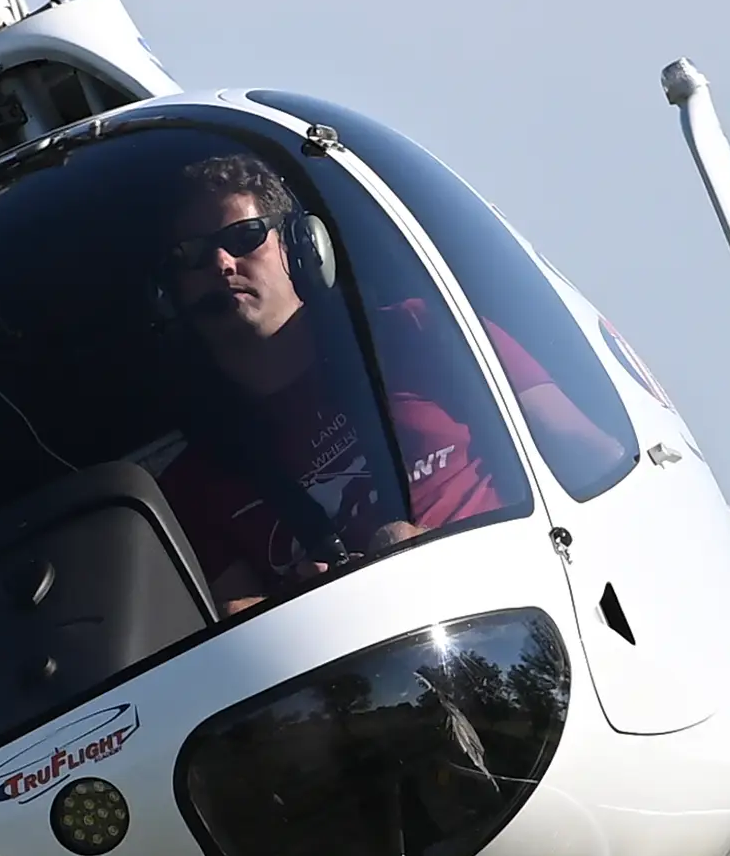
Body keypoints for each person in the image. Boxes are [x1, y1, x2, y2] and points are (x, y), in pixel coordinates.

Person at [151, 139, 500, 617]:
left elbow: (571, 455)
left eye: (245, 237)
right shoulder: (190, 486)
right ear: (171, 294)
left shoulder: (415, 333)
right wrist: (299, 605)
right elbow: (232, 615)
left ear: (300, 247)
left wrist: (437, 556)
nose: (221, 264)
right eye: (193, 254)